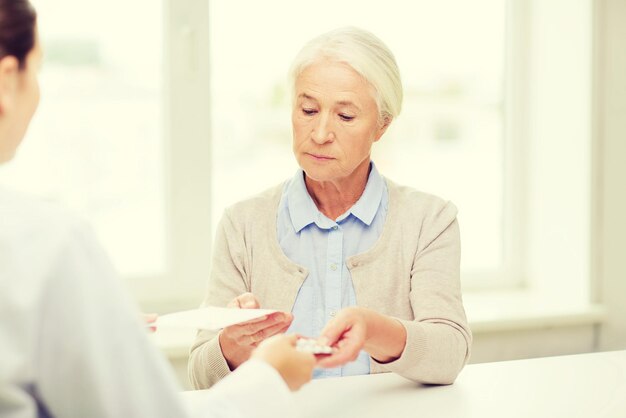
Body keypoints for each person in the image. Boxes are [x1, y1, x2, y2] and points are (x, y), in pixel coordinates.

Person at [0, 1, 315, 417]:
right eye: (37, 70)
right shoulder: (46, 245)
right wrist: (268, 378)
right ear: (7, 80)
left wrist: (99, 332)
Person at [189, 27, 472, 389]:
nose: (320, 133)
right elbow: (200, 376)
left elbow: (450, 356)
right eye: (308, 109)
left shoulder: (430, 221)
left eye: (346, 116)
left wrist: (375, 330)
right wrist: (230, 349)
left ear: (382, 125)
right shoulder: (242, 225)